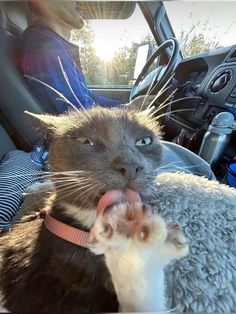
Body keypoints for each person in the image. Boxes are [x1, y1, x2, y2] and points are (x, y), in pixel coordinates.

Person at [22, 1, 121, 113]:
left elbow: (86, 95)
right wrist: (130, 115)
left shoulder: (54, 45)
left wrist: (126, 107)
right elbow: (81, 114)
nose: (81, 2)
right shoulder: (46, 47)